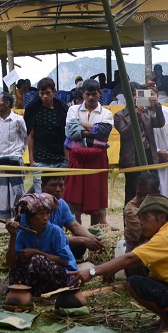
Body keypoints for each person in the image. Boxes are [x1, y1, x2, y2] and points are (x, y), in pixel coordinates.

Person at [73, 195, 168, 333]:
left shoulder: (165, 237)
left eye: (145, 218)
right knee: (146, 274)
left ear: (162, 217)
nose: (141, 223)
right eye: (140, 218)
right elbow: (137, 258)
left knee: (135, 283)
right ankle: (167, 317)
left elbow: (130, 258)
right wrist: (113, 268)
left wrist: (92, 272)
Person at [6, 194, 77, 296]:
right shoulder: (23, 234)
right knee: (19, 262)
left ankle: (28, 292)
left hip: (63, 277)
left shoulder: (55, 231)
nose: (46, 218)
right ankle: (19, 291)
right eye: (41, 214)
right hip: (38, 280)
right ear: (30, 217)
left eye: (47, 213)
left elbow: (64, 261)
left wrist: (37, 252)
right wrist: (13, 236)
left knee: (37, 259)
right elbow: (10, 263)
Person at [64, 78, 113, 225]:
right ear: (82, 94)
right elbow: (71, 132)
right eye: (87, 94)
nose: (91, 97)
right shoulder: (73, 110)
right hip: (77, 159)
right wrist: (94, 130)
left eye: (94, 94)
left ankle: (95, 232)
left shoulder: (107, 113)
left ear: (100, 93)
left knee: (96, 198)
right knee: (74, 198)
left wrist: (81, 125)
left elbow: (104, 133)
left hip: (97, 161)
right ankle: (77, 232)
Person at [113, 82, 164, 204]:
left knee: (152, 187)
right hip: (132, 158)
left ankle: (152, 212)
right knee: (132, 190)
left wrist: (157, 106)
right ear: (126, 97)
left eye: (138, 94)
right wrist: (135, 117)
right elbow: (125, 133)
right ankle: (130, 215)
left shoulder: (148, 112)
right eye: (133, 95)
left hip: (149, 154)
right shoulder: (120, 115)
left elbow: (160, 123)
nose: (136, 98)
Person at [34, 176, 104, 259]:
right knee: (80, 242)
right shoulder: (36, 205)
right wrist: (83, 240)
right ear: (43, 186)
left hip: (55, 244)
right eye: (53, 185)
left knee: (80, 246)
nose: (58, 189)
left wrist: (93, 239)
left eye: (61, 185)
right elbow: (50, 237)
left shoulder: (62, 204)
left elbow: (74, 226)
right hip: (38, 247)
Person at [0, 92, 28, 221]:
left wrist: (18, 153)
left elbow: (25, 138)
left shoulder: (18, 120)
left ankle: (18, 222)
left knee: (18, 193)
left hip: (14, 162)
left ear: (7, 103)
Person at [25, 77, 69, 193]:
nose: (45, 96)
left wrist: (66, 158)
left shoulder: (62, 109)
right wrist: (31, 160)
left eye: (48, 93)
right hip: (40, 160)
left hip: (60, 159)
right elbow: (31, 135)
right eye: (42, 93)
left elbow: (67, 135)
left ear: (54, 92)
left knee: (60, 194)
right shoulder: (33, 109)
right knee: (41, 197)